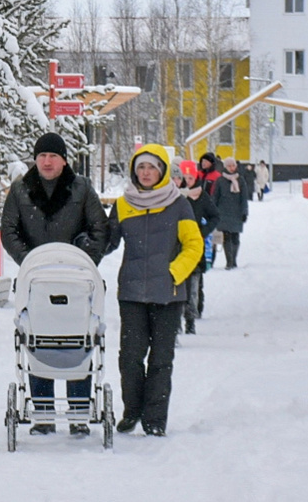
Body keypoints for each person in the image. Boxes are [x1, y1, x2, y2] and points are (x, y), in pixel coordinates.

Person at [1, 131, 110, 436]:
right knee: (38, 339)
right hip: (37, 280)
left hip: (76, 279)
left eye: (53, 156)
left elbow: (99, 228)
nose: (47, 161)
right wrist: (32, 262)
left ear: (64, 160)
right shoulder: (21, 190)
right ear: (35, 159)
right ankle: (43, 414)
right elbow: (9, 230)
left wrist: (81, 261)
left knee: (78, 338)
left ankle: (78, 414)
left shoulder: (82, 188)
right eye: (42, 156)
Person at [106, 145, 204, 437]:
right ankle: (132, 411)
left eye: (152, 167)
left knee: (161, 360)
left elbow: (194, 245)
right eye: (141, 168)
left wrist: (174, 273)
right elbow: (108, 241)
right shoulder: (124, 204)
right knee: (130, 357)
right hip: (132, 294)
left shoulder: (179, 204)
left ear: (161, 172)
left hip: (168, 295)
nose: (146, 173)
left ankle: (155, 419)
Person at [176, 160, 219, 334]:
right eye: (184, 177)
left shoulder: (201, 196)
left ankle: (190, 319)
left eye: (191, 177)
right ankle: (176, 322)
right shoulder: (175, 195)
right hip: (176, 247)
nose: (188, 180)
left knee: (193, 287)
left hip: (194, 247)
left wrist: (202, 231)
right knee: (177, 287)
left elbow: (215, 216)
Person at [213, 157, 249, 270]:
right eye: (229, 166)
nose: (232, 168)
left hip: (236, 212)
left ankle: (234, 260)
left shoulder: (241, 180)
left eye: (233, 165)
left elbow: (244, 198)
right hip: (223, 212)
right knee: (226, 237)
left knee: (235, 237)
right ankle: (229, 262)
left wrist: (244, 212)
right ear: (225, 167)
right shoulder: (220, 181)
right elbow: (215, 197)